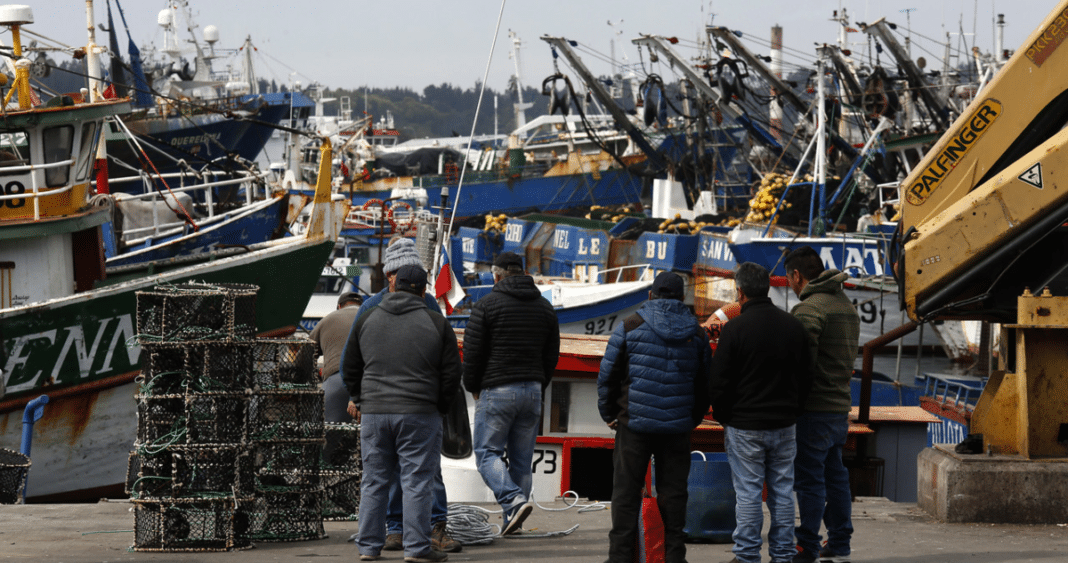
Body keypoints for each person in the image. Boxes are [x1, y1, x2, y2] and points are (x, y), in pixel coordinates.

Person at [342, 264, 462, 563]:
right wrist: (440, 406)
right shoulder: (436, 322)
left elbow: (349, 367)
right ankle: (417, 549)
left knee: (374, 480)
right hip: (420, 412)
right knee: (417, 481)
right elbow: (452, 374)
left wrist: (360, 398)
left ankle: (368, 548)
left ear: (392, 285)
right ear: (424, 291)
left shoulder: (367, 316)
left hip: (375, 413)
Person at [597, 271, 711, 563]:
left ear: (651, 295)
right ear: (682, 297)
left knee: (625, 493)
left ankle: (620, 557)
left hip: (634, 423)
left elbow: (608, 376)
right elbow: (704, 384)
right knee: (674, 494)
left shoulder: (629, 326)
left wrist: (610, 414)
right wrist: (691, 418)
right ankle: (674, 556)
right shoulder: (697, 334)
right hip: (677, 428)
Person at [708, 262, 812, 563]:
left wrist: (726, 416)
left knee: (749, 493)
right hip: (784, 423)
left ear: (739, 292)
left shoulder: (735, 329)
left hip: (744, 424)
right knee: (782, 491)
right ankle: (782, 554)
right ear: (766, 288)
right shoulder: (793, 326)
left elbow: (719, 380)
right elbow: (807, 376)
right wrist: (795, 410)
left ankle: (747, 555)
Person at [463, 251, 560, 535]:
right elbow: (551, 354)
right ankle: (512, 522)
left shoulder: (486, 305)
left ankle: (513, 501)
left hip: (497, 389)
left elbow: (472, 353)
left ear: (496, 275)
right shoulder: (545, 307)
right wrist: (539, 384)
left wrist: (473, 387)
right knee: (521, 460)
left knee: (486, 454)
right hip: (532, 390)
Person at [784, 246, 860, 563]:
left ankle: (807, 546)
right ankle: (840, 542)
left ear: (797, 275)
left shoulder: (809, 311)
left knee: (810, 480)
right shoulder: (845, 306)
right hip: (839, 407)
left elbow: (800, 365)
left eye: (789, 278)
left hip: (813, 409)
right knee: (836, 477)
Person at [311, 291, 362, 462]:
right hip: (369, 381)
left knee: (330, 434)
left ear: (339, 306)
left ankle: (326, 469)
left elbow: (306, 353)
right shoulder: (370, 316)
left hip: (337, 380)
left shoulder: (328, 319)